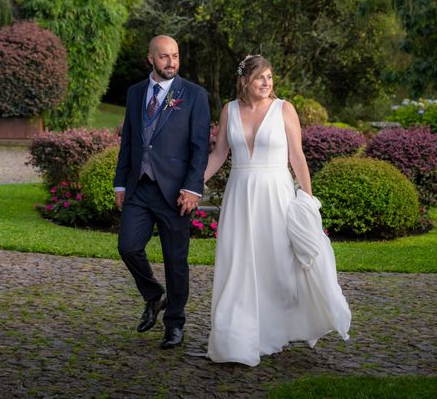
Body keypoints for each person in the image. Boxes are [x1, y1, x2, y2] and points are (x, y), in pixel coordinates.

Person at [204, 54, 350, 366]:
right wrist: (193, 184)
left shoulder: (284, 109)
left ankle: (275, 328)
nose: (267, 83)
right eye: (260, 77)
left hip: (276, 194)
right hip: (240, 194)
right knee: (238, 263)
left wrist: (308, 201)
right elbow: (218, 155)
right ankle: (237, 336)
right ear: (245, 81)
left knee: (280, 266)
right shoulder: (229, 110)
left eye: (270, 77)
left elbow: (297, 156)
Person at [114, 35, 211, 349]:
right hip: (139, 186)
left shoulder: (194, 95)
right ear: (150, 59)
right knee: (128, 246)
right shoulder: (135, 93)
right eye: (165, 57)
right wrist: (120, 183)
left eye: (176, 56)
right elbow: (129, 139)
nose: (172, 62)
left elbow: (200, 148)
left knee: (175, 260)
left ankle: (175, 324)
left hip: (175, 192)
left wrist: (193, 188)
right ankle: (154, 295)